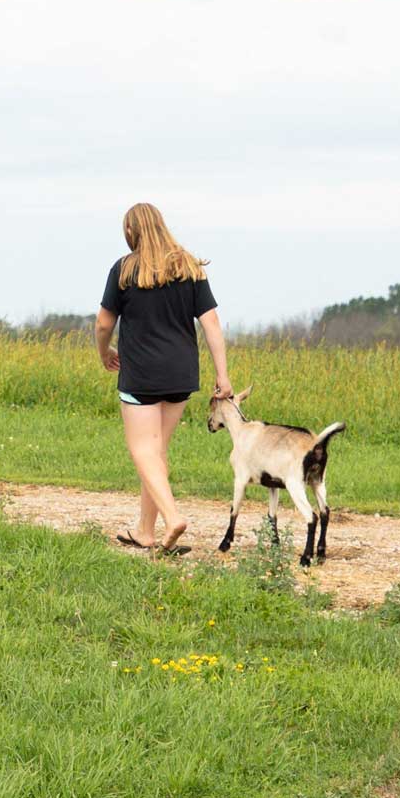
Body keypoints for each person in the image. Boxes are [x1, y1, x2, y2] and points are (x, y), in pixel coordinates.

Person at [96, 202, 234, 551]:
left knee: (142, 450)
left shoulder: (125, 269)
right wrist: (223, 374)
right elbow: (212, 323)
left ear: (131, 232)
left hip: (140, 374)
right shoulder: (188, 266)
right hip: (180, 374)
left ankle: (173, 518)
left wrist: (104, 353)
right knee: (156, 453)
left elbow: (103, 323)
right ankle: (145, 530)